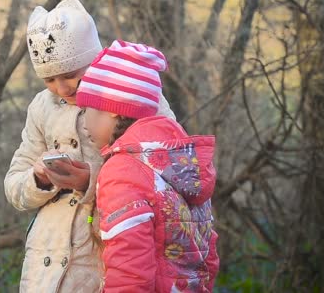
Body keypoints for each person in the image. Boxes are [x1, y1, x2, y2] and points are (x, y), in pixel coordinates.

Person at [4, 0, 176, 292]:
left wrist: (92, 181)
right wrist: (39, 179)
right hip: (45, 264)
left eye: (71, 75)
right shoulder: (41, 107)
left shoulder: (135, 92)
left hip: (110, 258)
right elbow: (14, 188)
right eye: (49, 79)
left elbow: (173, 175)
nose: (62, 88)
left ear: (94, 59)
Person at [76, 40, 219, 292]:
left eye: (86, 107)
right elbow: (209, 254)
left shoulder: (122, 171)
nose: (83, 121)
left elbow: (129, 269)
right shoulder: (184, 163)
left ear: (112, 109)